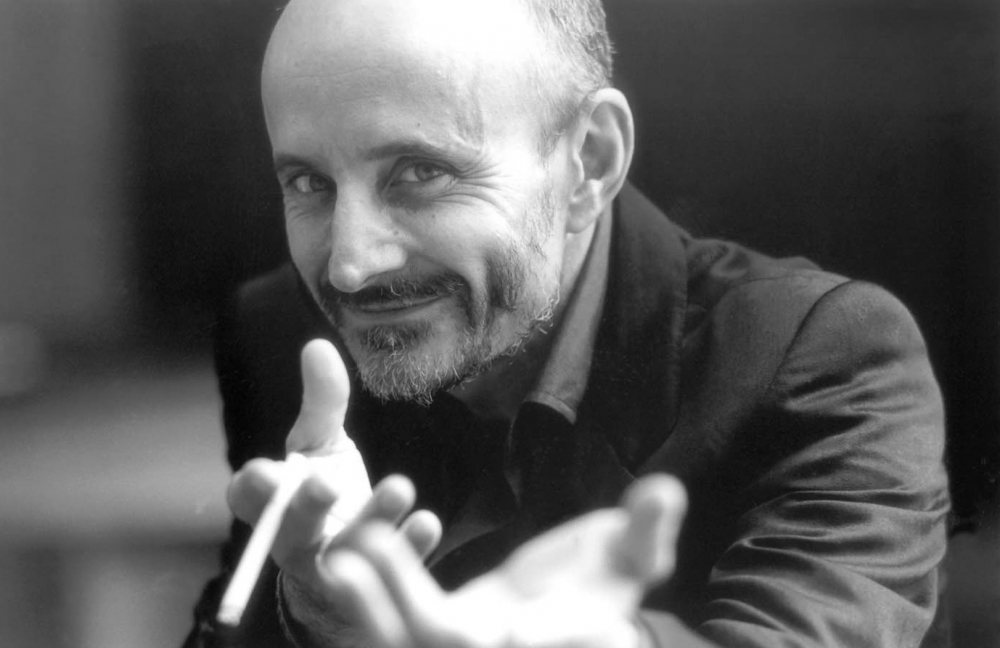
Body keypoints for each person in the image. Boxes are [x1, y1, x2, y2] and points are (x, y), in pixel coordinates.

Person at [184, 0, 951, 646]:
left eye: (421, 172)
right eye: (308, 182)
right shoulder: (282, 336)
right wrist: (313, 618)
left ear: (589, 161)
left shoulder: (824, 352)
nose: (350, 265)